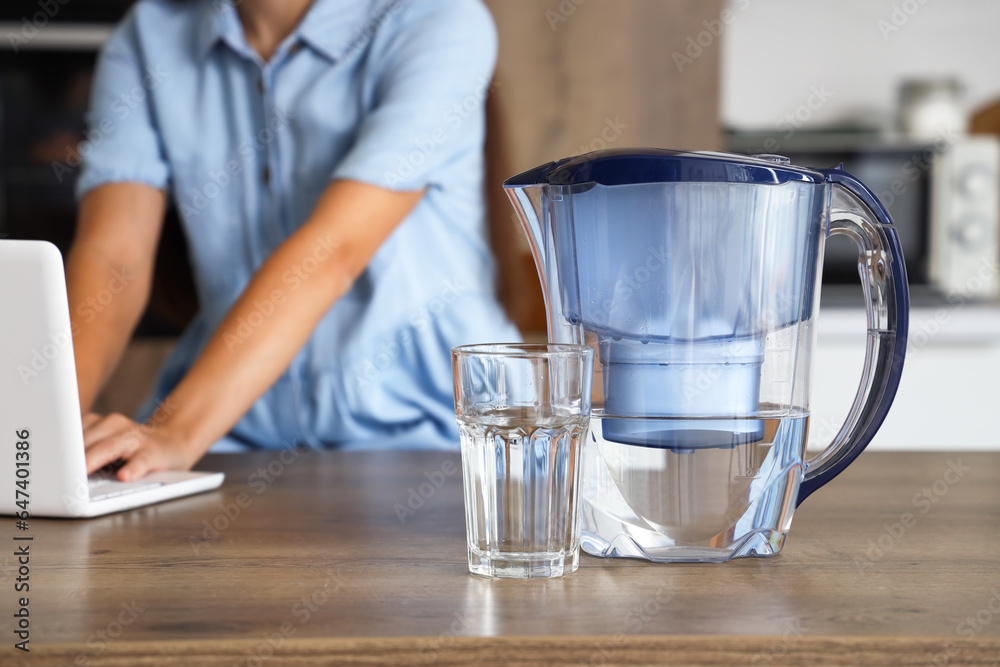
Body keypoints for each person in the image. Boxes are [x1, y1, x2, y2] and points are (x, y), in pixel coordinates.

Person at [72, 0, 518, 482]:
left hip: (442, 442)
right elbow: (114, 255)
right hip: (231, 445)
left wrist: (176, 430)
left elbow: (334, 251)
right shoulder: (147, 35)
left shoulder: (438, 18)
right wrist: (33, 436)